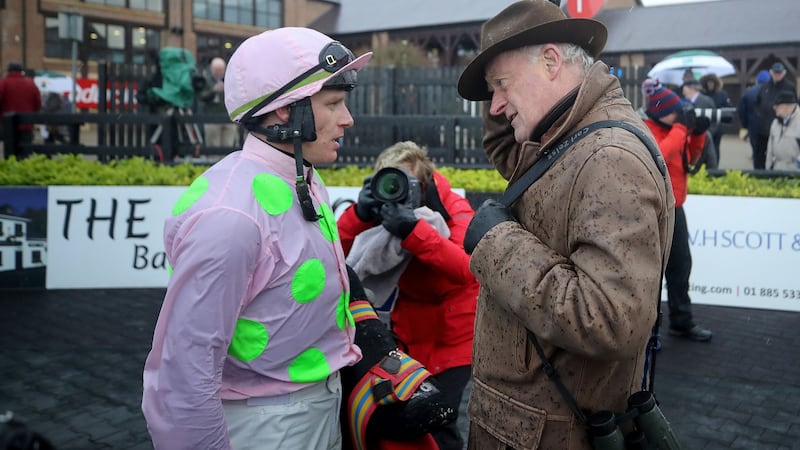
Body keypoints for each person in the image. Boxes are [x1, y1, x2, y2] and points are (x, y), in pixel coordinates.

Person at [455, 1, 675, 448]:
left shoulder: (607, 156)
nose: (496, 104)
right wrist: (497, 76)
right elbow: (513, 155)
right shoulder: (566, 135)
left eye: (501, 86)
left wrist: (498, 244)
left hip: (554, 433)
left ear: (552, 61)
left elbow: (610, 319)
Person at [141, 27, 373, 449]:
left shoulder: (301, 175)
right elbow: (182, 378)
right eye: (334, 104)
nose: (347, 119)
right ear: (285, 111)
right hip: (268, 427)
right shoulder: (230, 218)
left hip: (315, 409)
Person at [337, 141, 478, 450]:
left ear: (423, 183)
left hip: (453, 338)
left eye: (404, 182)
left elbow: (467, 267)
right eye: (388, 181)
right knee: (407, 423)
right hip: (407, 335)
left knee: (441, 421)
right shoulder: (381, 211)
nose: (394, 190)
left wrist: (414, 231)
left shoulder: (450, 206)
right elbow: (333, 258)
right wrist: (358, 214)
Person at [641, 79, 713, 343]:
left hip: (675, 208)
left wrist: (698, 134)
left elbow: (690, 159)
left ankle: (681, 322)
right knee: (650, 272)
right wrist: (683, 127)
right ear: (661, 112)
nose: (680, 115)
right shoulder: (646, 130)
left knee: (681, 266)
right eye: (676, 111)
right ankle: (645, 330)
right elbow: (661, 155)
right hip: (651, 211)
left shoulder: (675, 130)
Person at [753, 62, 797, 169]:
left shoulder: (789, 87)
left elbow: (794, 106)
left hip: (781, 127)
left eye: (780, 73)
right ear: (771, 73)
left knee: (779, 153)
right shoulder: (765, 86)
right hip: (763, 128)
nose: (777, 75)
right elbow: (757, 103)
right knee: (759, 155)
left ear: (784, 73)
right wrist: (759, 116)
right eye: (775, 73)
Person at [0, 62, 42, 158]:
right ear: (21, 71)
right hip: (26, 126)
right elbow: (37, 104)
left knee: (10, 154)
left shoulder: (3, 83)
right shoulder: (31, 84)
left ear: (8, 71)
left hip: (8, 126)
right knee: (24, 154)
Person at [198, 57, 240, 150]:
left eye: (221, 70)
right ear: (212, 69)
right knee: (213, 145)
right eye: (216, 70)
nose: (219, 72)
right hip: (211, 117)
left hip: (228, 117)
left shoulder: (230, 79)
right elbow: (201, 97)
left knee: (228, 145)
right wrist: (213, 91)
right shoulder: (205, 80)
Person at [682, 78, 718, 169]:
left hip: (704, 137)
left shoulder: (706, 101)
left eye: (684, 87)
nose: (682, 90)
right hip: (690, 141)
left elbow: (714, 121)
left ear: (691, 88)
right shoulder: (683, 102)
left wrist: (705, 133)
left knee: (708, 160)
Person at [737, 69, 771, 163]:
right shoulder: (772, 92)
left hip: (754, 127)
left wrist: (746, 125)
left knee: (756, 153)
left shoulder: (748, 92)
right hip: (770, 127)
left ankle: (758, 173)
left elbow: (741, 110)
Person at [698, 73, 733, 157]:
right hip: (705, 125)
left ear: (715, 83)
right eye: (708, 83)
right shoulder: (702, 95)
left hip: (717, 125)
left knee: (715, 147)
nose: (710, 85)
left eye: (712, 83)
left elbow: (728, 108)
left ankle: (714, 167)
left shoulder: (722, 94)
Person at [766, 90, 800, 171]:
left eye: (777, 106)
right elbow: (769, 150)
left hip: (795, 173)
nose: (774, 108)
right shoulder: (775, 123)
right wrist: (768, 169)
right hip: (776, 170)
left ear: (787, 107)